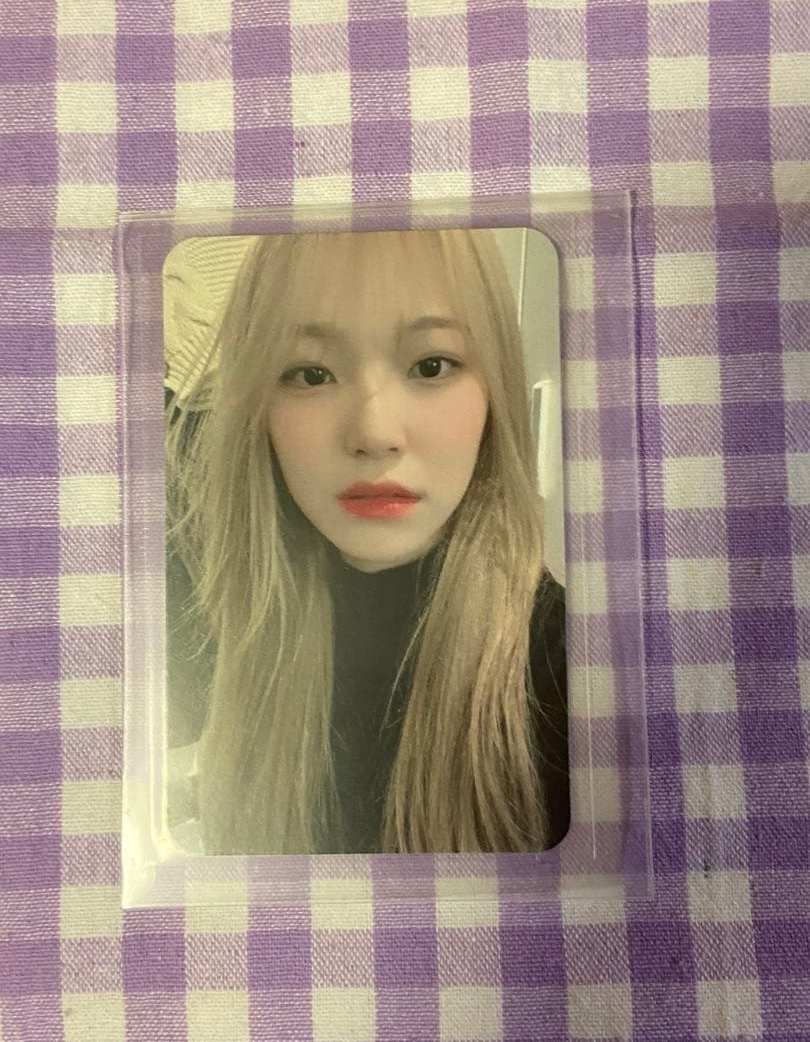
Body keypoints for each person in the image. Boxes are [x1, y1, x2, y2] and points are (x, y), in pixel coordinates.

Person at [164, 227, 568, 856]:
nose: (375, 433)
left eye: (430, 365)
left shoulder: (573, 674)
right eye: (312, 373)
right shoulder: (217, 633)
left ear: (497, 390)